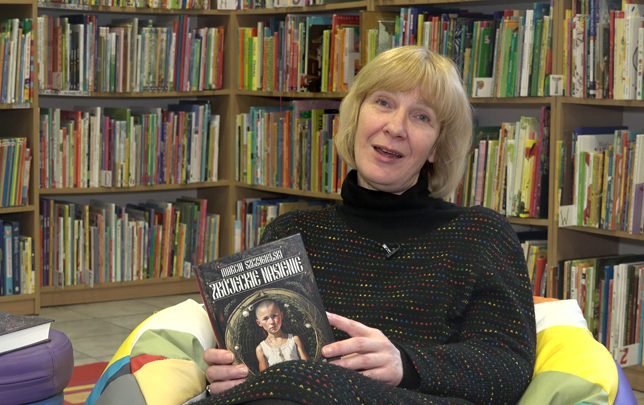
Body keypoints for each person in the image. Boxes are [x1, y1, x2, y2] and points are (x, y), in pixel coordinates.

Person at [202, 45, 536, 405]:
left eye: (421, 117)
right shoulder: (290, 233)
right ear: (355, 116)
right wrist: (234, 377)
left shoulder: (480, 234)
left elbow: (509, 368)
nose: (395, 127)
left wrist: (406, 364)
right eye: (383, 103)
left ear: (436, 148)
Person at [253, 299, 309, 370]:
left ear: (281, 315)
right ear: (259, 323)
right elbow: (264, 374)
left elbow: (307, 366)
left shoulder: (294, 339)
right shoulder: (261, 349)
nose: (272, 322)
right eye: (265, 319)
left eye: (274, 316)